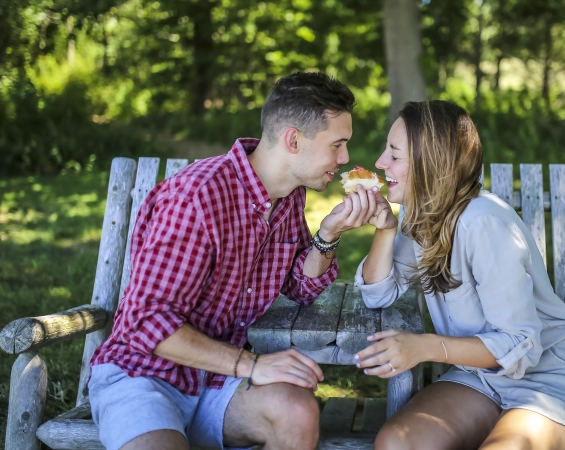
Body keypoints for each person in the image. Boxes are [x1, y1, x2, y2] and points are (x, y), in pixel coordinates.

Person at [88, 72, 380, 450]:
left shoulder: (287, 196)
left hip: (215, 381)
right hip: (144, 376)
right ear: (293, 139)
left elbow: (297, 286)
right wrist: (252, 365)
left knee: (297, 411)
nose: (344, 159)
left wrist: (328, 235)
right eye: (337, 145)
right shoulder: (196, 198)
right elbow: (146, 323)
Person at [355, 100, 565, 450]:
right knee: (397, 443)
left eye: (394, 154)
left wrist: (424, 347)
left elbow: (521, 345)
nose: (380, 163)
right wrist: (386, 230)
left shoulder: (483, 221)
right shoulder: (422, 214)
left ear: (431, 164)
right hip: (480, 378)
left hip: (547, 378)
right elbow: (377, 293)